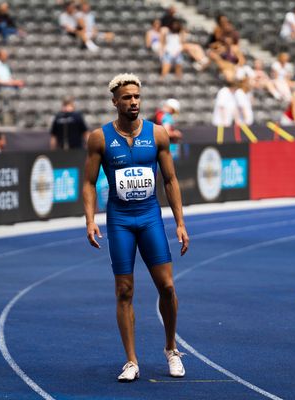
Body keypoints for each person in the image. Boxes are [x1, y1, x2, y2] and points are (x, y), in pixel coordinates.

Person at [83, 73, 189, 382]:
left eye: (137, 97)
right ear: (114, 101)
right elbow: (89, 183)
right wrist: (90, 219)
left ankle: (171, 348)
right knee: (124, 290)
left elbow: (169, 180)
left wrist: (180, 223)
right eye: (127, 97)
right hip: (120, 220)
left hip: (150, 217)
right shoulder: (100, 138)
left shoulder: (157, 134)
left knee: (167, 286)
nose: (133, 102)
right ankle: (131, 360)